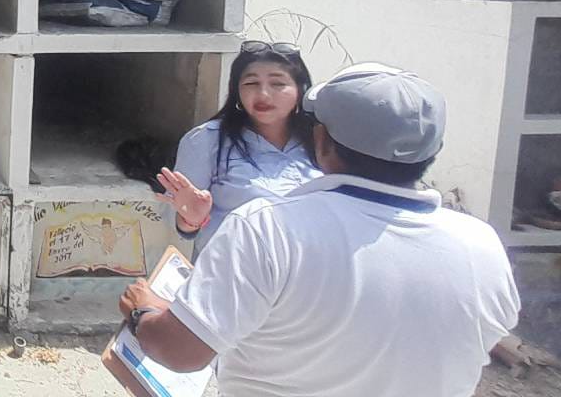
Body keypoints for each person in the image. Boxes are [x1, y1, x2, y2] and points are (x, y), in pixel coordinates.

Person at [118, 63, 520, 397]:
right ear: (432, 152)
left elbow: (181, 352)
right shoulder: (481, 245)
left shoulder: (266, 227)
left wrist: (144, 311)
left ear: (322, 141)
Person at [155, 40, 321, 246]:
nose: (263, 94)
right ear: (236, 90)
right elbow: (177, 218)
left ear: (300, 90)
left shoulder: (322, 139)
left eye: (278, 84)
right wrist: (191, 219)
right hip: (234, 263)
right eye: (251, 83)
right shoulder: (207, 139)